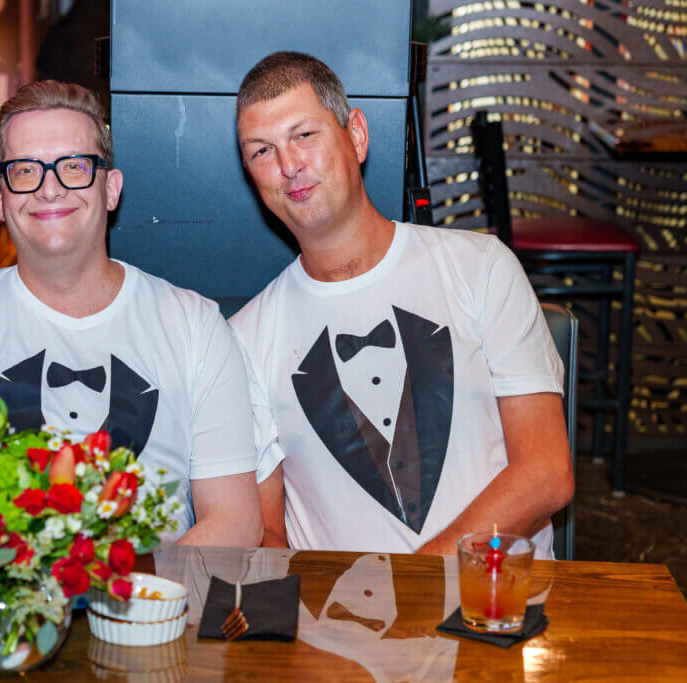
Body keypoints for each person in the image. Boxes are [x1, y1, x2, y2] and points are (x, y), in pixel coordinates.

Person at [230, 52, 573, 558]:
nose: (288, 165)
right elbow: (267, 536)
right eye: (262, 151)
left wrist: (417, 589)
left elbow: (547, 473)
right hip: (337, 629)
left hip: (495, 612)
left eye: (304, 135)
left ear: (357, 135)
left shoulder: (480, 267)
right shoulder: (245, 337)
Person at [0, 80, 263, 547]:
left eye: (73, 166)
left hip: (157, 610)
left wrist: (135, 605)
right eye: (25, 170)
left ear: (111, 190)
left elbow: (235, 524)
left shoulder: (196, 324)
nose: (49, 189)